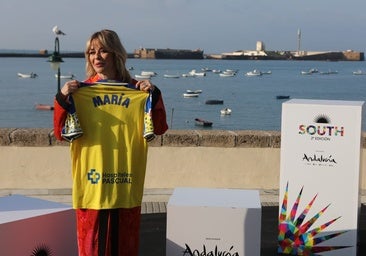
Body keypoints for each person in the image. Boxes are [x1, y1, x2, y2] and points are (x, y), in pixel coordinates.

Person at [53, 29, 168, 256]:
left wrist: (154, 95)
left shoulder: (137, 91)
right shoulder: (79, 92)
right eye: (91, 52)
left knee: (123, 245)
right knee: (92, 247)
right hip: (91, 186)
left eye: (103, 50)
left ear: (116, 54)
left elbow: (160, 127)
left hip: (125, 184)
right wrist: (61, 99)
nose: (96, 57)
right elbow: (60, 133)